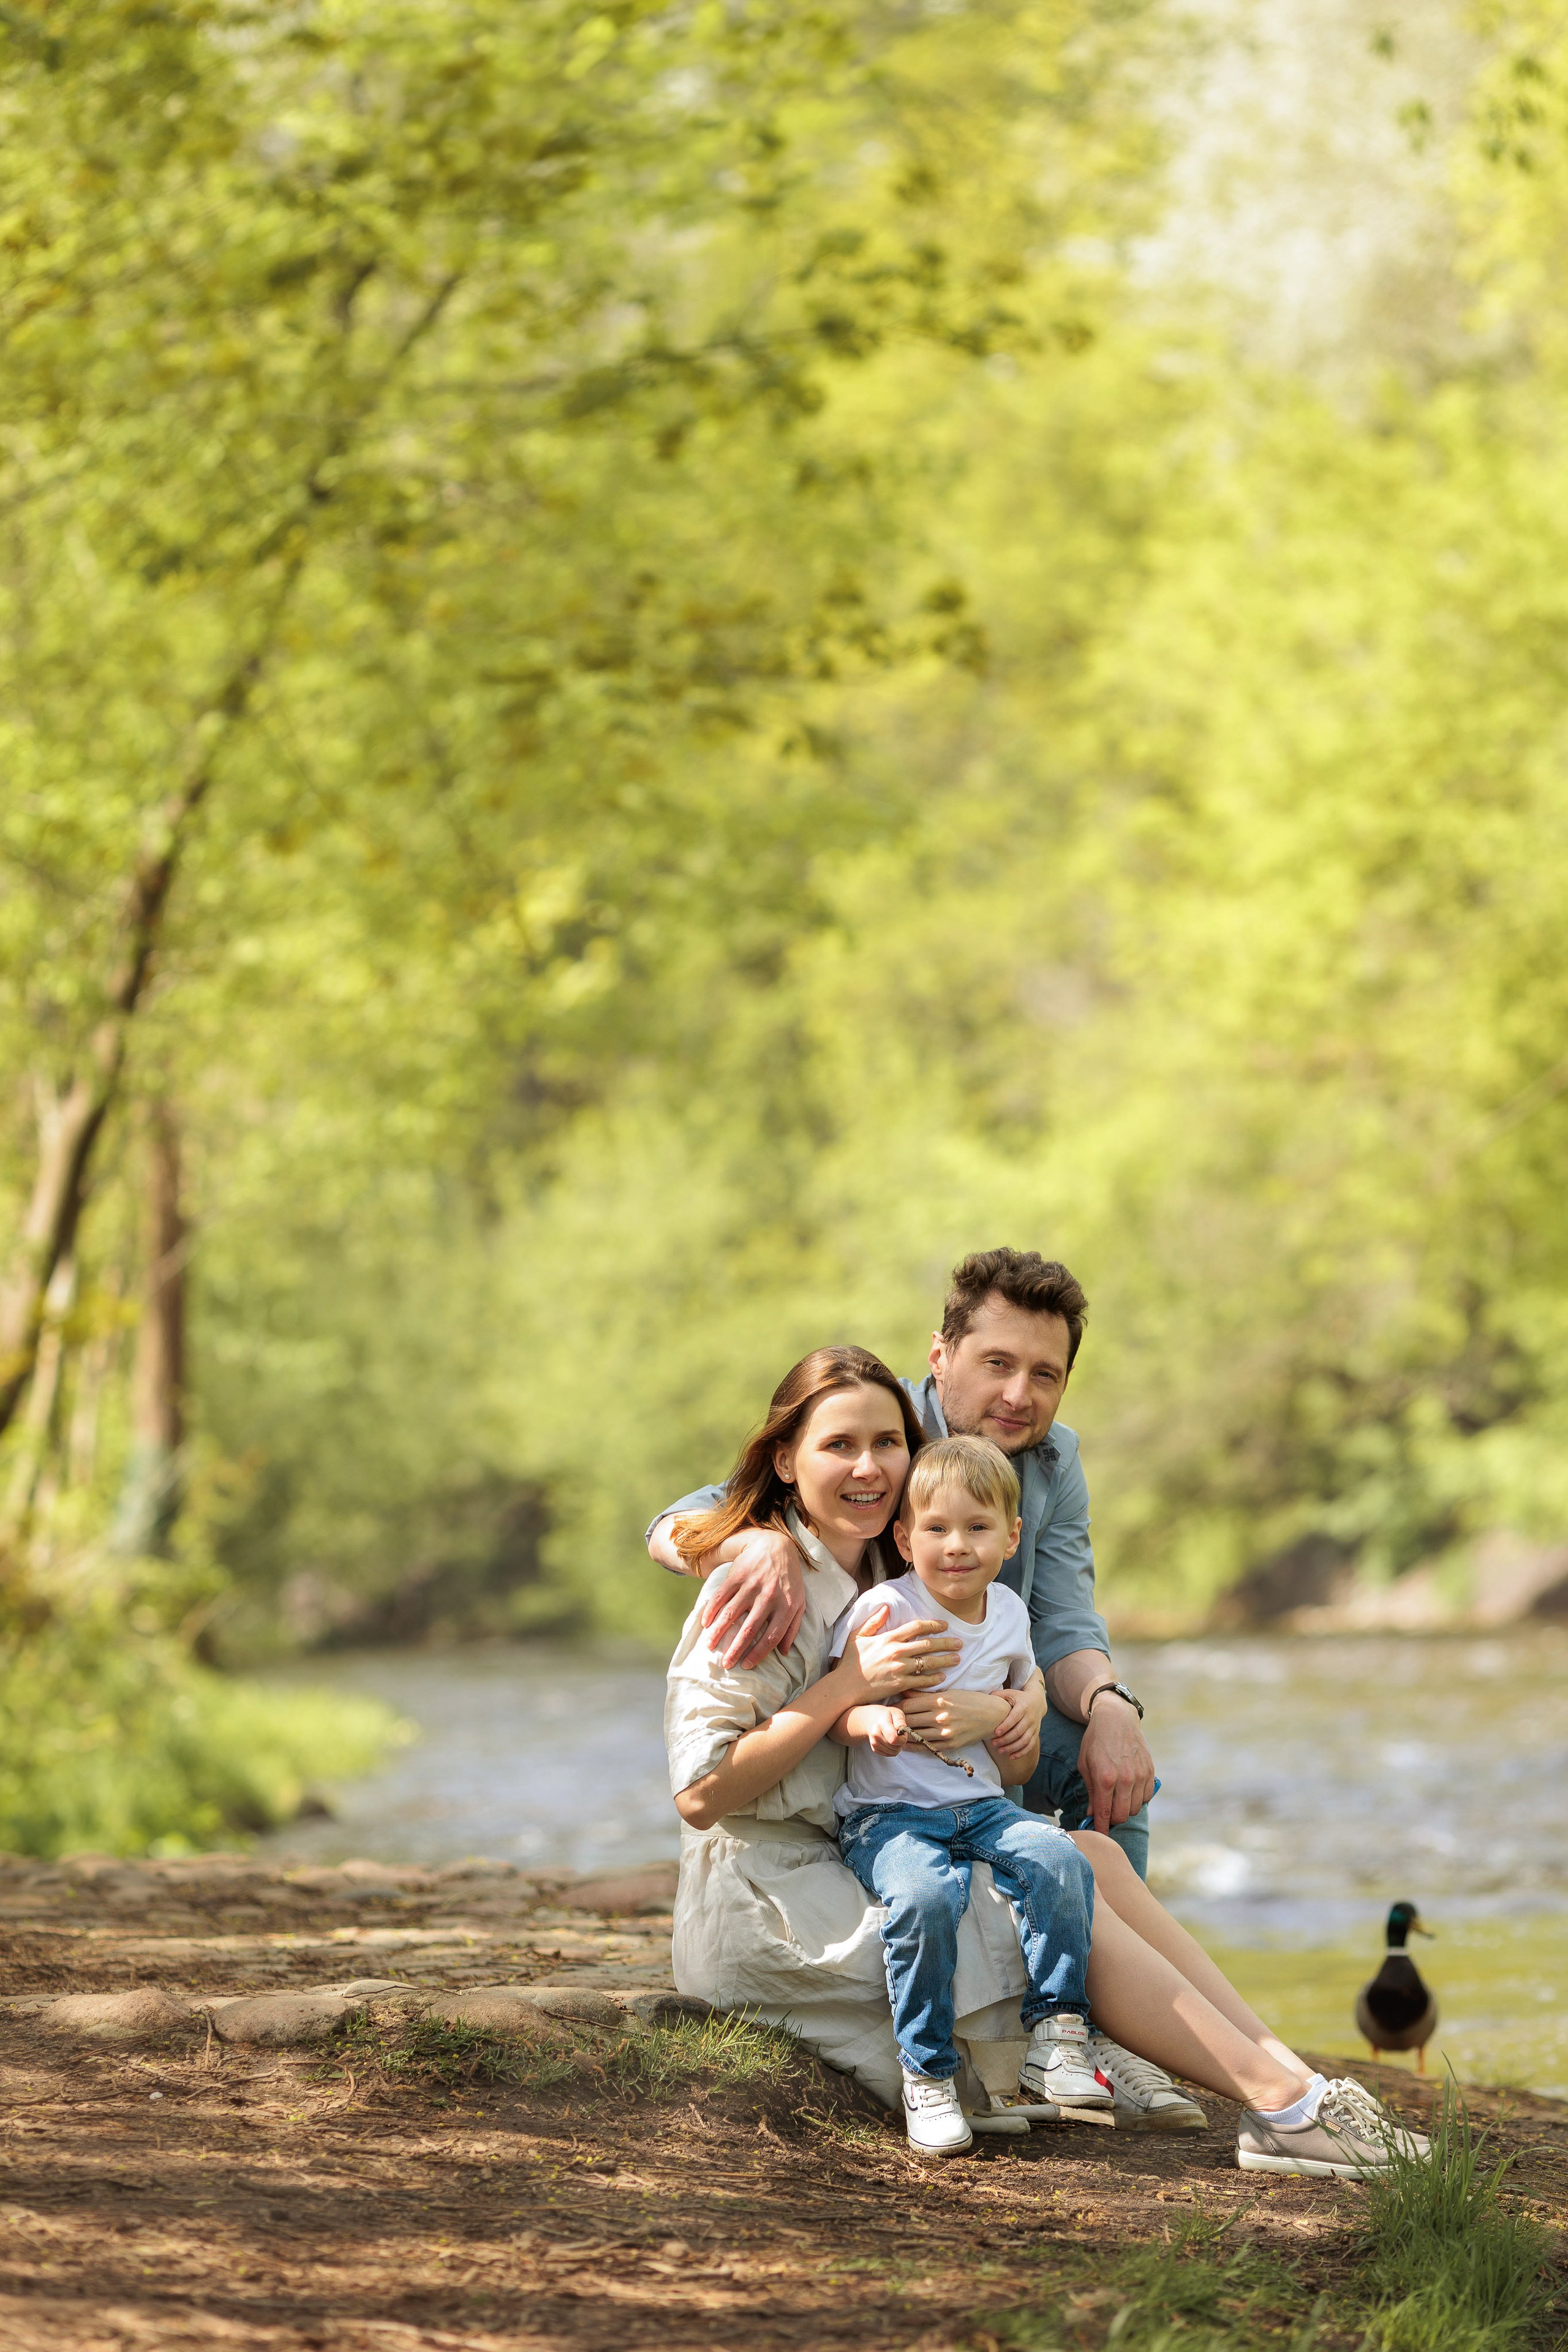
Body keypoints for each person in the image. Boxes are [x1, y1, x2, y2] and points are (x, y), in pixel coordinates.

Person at [666, 1343, 1430, 2180]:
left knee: (1090, 1853)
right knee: (1058, 1876)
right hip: (772, 1899)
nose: (869, 1467)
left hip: (854, 1849)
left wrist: (1013, 1708)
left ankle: (1297, 2084)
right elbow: (701, 1795)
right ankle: (1282, 2105)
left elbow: (1026, 1651)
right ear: (785, 1459)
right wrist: (847, 1684)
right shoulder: (757, 1581)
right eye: (838, 1445)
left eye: (888, 1444)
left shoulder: (892, 1570)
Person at [649, 1246, 1156, 1881]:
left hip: (985, 1700)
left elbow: (1062, 1618)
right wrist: (754, 1543)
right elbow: (674, 1523)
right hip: (869, 1718)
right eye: (996, 1363)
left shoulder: (1053, 1461)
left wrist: (1108, 1704)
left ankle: (1090, 1962)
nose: (1017, 1394)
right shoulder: (882, 1433)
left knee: (1112, 1764)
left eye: (1044, 1374)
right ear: (940, 1358)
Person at [829, 1433, 1111, 2154]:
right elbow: (834, 1710)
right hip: (889, 1815)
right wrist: (873, 1718)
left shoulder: (1012, 1615)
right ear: (904, 1535)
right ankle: (927, 2074)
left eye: (978, 1528)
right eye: (936, 1529)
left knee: (1057, 1856)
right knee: (925, 1898)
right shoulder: (884, 1608)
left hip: (983, 1805)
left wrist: (1026, 1712)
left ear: (1012, 1537)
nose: (956, 1546)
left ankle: (1058, 2035)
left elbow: (1022, 1702)